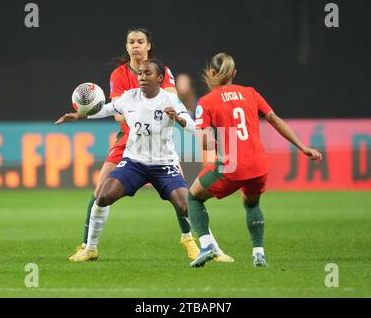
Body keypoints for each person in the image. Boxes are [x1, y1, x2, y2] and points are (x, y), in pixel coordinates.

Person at [56, 59, 233, 262]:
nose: (142, 77)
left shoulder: (170, 100)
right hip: (134, 163)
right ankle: (91, 248)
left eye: (147, 73)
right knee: (103, 196)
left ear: (159, 78)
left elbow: (192, 126)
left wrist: (180, 119)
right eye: (140, 73)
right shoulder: (129, 97)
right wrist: (79, 115)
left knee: (186, 205)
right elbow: (107, 109)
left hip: (164, 165)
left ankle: (214, 249)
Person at [68, 28, 200, 261]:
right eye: (131, 42)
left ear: (149, 45)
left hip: (159, 141)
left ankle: (188, 239)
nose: (135, 45)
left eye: (140, 41)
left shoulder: (161, 70)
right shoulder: (118, 75)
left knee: (181, 194)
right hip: (128, 139)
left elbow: (169, 98)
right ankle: (87, 245)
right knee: (100, 191)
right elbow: (118, 114)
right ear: (127, 47)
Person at [188, 53, 323, 268]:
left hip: (232, 166)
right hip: (259, 165)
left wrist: (199, 131)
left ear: (211, 73)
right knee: (251, 203)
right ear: (234, 73)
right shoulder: (250, 93)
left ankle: (206, 245)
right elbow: (275, 120)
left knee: (193, 197)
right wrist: (303, 147)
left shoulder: (206, 102)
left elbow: (207, 145)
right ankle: (258, 253)